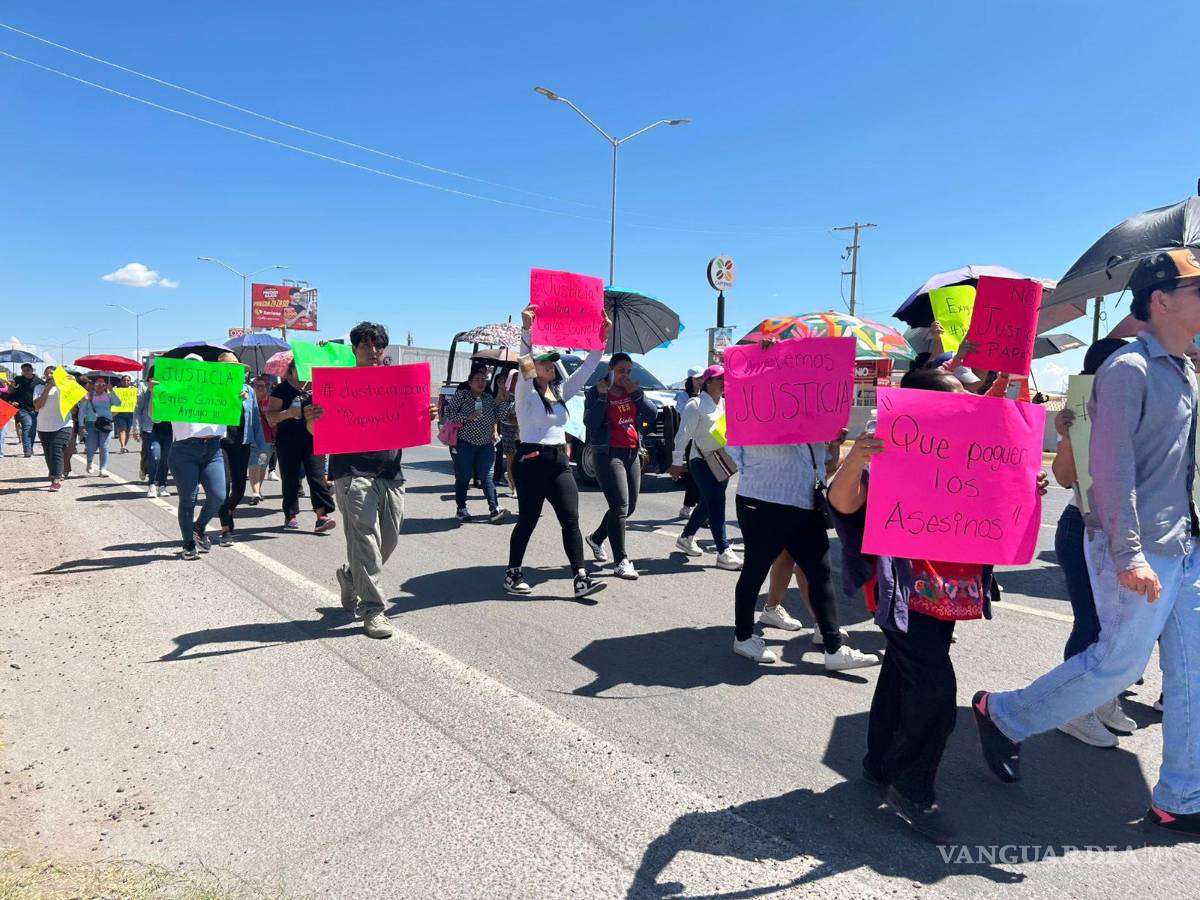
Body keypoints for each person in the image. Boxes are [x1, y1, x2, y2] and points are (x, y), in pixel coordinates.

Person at [972, 250, 1200, 837]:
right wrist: (1129, 555)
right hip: (1137, 548)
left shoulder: (1184, 369)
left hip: (1183, 546)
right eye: (1197, 289)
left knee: (1191, 673)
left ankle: (1182, 795)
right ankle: (1002, 714)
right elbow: (1112, 466)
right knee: (1116, 666)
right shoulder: (1130, 369)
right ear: (1162, 299)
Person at [829, 365, 1049, 839]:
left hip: (948, 593)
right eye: (951, 398)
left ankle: (879, 762)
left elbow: (992, 499)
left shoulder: (964, 449)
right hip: (904, 591)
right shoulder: (892, 447)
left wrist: (1025, 485)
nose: (962, 404)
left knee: (900, 673)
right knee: (934, 694)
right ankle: (911, 790)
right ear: (923, 406)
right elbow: (843, 504)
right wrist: (855, 459)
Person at [302, 321, 438, 638]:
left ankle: (351, 576)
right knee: (364, 539)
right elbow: (315, 432)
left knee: (387, 540)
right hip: (351, 472)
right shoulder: (336, 383)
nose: (373, 351)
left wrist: (426, 414)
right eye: (366, 345)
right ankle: (373, 610)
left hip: (390, 471)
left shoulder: (398, 382)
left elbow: (414, 420)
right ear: (354, 350)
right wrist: (312, 420)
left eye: (378, 345)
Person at [1049, 338, 1138, 747]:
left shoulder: (1140, 408)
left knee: (1121, 628)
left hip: (1127, 531)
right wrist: (1068, 436)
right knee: (1092, 623)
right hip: (1084, 527)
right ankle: (1074, 709)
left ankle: (1101, 698)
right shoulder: (1083, 412)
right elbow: (1066, 479)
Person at [503, 304, 610, 600]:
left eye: (553, 361)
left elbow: (588, 368)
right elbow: (524, 360)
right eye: (545, 361)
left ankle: (580, 578)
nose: (551, 364)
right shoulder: (525, 391)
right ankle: (513, 572)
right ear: (534, 368)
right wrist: (527, 329)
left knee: (571, 520)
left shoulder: (559, 392)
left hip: (559, 463)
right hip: (531, 461)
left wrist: (601, 338)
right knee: (528, 519)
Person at [583, 352, 657, 580]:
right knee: (619, 506)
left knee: (629, 507)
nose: (625, 375)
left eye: (628, 371)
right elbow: (590, 423)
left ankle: (596, 538)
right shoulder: (596, 391)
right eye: (621, 370)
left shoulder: (633, 391)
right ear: (611, 370)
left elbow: (652, 414)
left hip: (632, 452)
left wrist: (636, 393)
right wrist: (604, 397)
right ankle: (621, 560)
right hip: (607, 453)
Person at [669, 365, 741, 570]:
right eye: (719, 379)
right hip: (700, 460)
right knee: (717, 500)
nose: (723, 382)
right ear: (708, 382)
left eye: (725, 379)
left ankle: (686, 537)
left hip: (722, 459)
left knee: (709, 502)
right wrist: (676, 462)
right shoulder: (696, 404)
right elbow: (682, 435)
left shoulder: (726, 404)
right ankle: (723, 551)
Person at [165, 354, 228, 560]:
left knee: (218, 496)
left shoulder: (217, 391)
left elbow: (233, 406)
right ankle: (188, 544)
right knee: (188, 499)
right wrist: (156, 393)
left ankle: (199, 528)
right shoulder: (173, 391)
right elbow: (154, 415)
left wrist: (239, 397)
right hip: (184, 450)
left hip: (213, 449)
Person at [267, 357, 336, 533]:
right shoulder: (280, 390)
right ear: (291, 371)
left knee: (317, 476)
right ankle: (290, 515)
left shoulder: (317, 388)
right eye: (300, 367)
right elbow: (271, 418)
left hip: (313, 438)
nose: (305, 370)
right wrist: (290, 412)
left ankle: (322, 516)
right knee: (290, 478)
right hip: (288, 440)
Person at [217, 358, 269, 546]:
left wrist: (262, 447)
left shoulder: (249, 391)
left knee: (239, 489)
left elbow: (255, 418)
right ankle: (225, 529)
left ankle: (229, 510)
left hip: (242, 443)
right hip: (220, 443)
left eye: (237, 369)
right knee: (225, 484)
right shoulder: (213, 389)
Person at [444, 365, 506, 522]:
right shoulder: (462, 396)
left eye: (483, 380)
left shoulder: (488, 398)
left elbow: (500, 415)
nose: (481, 382)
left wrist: (504, 396)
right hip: (465, 444)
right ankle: (461, 509)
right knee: (464, 476)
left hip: (485, 445)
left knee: (487, 477)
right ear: (470, 382)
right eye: (477, 380)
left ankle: (494, 509)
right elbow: (449, 413)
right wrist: (467, 417)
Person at [31, 366, 74, 491]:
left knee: (56, 450)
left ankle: (56, 479)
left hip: (64, 425)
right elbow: (38, 406)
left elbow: (84, 399)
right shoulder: (39, 388)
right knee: (48, 454)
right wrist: (48, 387)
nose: (51, 375)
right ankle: (54, 472)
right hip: (44, 426)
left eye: (53, 373)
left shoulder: (66, 387)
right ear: (45, 376)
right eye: (48, 373)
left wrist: (74, 384)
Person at [673, 367, 703, 518]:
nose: (700, 381)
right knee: (694, 475)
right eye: (697, 378)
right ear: (690, 380)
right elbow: (685, 413)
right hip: (689, 440)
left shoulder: (707, 395)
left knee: (705, 475)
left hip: (704, 439)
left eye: (702, 378)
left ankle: (701, 508)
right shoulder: (683, 397)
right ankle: (687, 507)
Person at [134, 381, 172, 498]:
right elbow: (137, 412)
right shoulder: (145, 395)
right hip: (151, 430)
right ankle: (151, 484)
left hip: (169, 431)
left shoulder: (173, 392)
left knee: (165, 460)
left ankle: (162, 485)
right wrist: (136, 429)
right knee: (155, 456)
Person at [80, 376, 118, 476]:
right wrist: (81, 425)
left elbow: (118, 403)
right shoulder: (89, 396)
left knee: (104, 447)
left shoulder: (109, 396)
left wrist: (112, 391)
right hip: (91, 424)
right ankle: (89, 462)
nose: (100, 386)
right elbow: (82, 411)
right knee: (91, 447)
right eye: (97, 384)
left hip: (105, 424)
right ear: (93, 385)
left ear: (106, 386)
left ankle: (103, 469)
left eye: (103, 384)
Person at [247, 376, 275, 504]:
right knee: (254, 464)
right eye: (255, 386)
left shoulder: (271, 402)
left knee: (262, 464)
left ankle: (258, 490)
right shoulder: (247, 400)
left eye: (261, 386)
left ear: (267, 388)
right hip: (252, 439)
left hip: (267, 440)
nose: (258, 389)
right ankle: (255, 492)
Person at [495, 370, 520, 498]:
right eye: (514, 379)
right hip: (509, 431)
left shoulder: (524, 394)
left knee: (521, 461)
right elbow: (501, 415)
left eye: (518, 378)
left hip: (522, 432)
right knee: (511, 460)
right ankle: (514, 488)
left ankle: (516, 482)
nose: (516, 381)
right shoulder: (505, 395)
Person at [10, 362, 42, 457]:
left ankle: (30, 448)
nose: (26, 372)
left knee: (33, 429)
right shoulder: (18, 379)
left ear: (32, 370)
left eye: (28, 370)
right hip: (22, 408)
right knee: (27, 426)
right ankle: (27, 450)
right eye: (24, 371)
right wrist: (12, 400)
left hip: (35, 409)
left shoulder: (39, 381)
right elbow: (11, 392)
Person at [113, 374, 136, 453]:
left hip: (131, 413)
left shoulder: (134, 390)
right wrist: (112, 390)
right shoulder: (117, 390)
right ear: (121, 381)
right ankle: (122, 446)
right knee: (122, 429)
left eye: (127, 380)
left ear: (130, 381)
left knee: (128, 430)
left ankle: (124, 445)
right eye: (124, 380)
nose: (126, 382)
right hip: (120, 413)